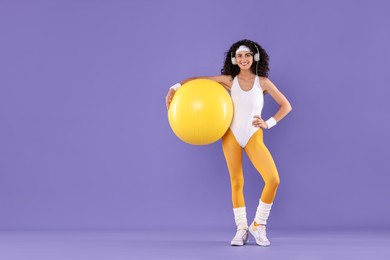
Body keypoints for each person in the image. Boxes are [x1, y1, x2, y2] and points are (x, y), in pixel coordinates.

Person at [165, 39, 292, 247]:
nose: (243, 59)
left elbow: (286, 105)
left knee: (273, 179)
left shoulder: (264, 83)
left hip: (253, 136)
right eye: (240, 56)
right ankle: (241, 228)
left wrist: (268, 123)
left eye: (248, 55)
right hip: (231, 135)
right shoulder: (228, 80)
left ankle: (259, 225)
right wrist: (174, 87)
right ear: (234, 59)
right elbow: (196, 80)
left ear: (255, 58)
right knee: (236, 181)